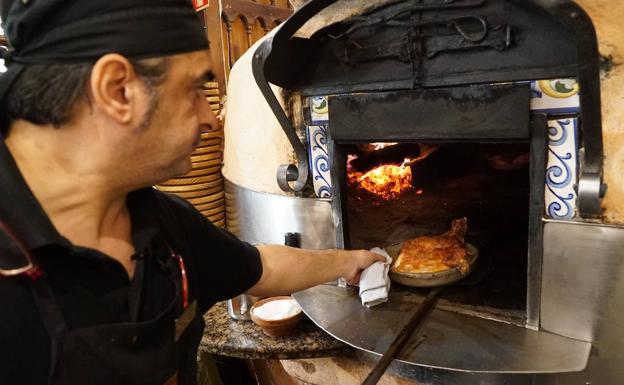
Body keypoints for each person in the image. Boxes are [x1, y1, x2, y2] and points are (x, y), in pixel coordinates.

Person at [0, 1, 384, 384]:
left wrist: (348, 261)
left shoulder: (161, 222)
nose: (210, 118)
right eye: (195, 89)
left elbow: (260, 266)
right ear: (118, 90)